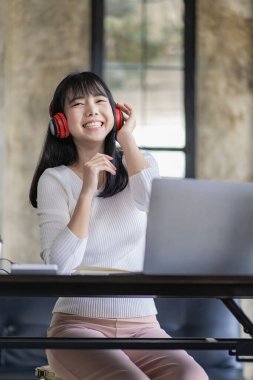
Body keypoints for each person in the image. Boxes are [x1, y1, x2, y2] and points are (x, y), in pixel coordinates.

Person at [29, 71, 208, 380]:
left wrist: (127, 138)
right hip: (77, 325)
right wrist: (87, 190)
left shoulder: (142, 161)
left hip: (143, 326)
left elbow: (153, 202)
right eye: (78, 103)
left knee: (192, 376)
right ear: (60, 121)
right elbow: (60, 265)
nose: (92, 110)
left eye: (100, 101)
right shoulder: (55, 179)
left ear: (115, 114)